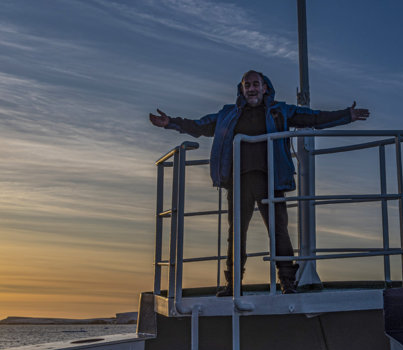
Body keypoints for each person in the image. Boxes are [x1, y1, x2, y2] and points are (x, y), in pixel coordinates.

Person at [149, 70, 369, 295]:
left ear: (265, 88)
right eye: (247, 85)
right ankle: (233, 284)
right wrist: (170, 123)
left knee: (279, 231)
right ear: (242, 89)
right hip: (238, 181)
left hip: (271, 181)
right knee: (236, 233)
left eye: (256, 84)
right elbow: (199, 125)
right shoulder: (227, 114)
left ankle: (287, 283)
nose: (252, 88)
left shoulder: (279, 111)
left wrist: (346, 116)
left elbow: (313, 118)